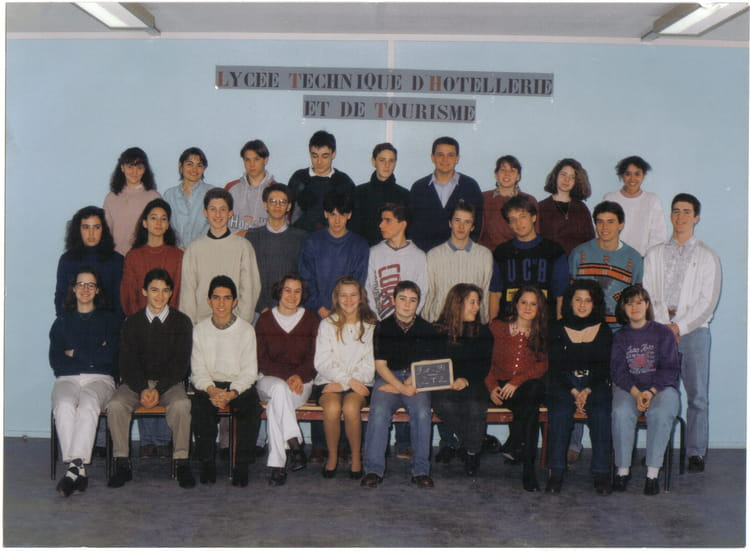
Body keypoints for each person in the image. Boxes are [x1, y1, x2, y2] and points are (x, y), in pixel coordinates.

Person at [644, 193, 721, 473]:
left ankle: (695, 452)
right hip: (660, 330)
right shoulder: (655, 254)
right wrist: (664, 326)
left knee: (697, 396)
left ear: (696, 217)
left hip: (694, 332)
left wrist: (680, 327)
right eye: (676, 211)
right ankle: (659, 449)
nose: (680, 216)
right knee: (662, 391)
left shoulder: (707, 255)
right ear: (670, 215)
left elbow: (707, 301)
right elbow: (648, 292)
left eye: (687, 212)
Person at [107, 269, 195, 489]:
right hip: (136, 382)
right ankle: (121, 463)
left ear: (171, 293)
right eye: (154, 290)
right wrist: (142, 388)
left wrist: (159, 389)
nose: (160, 295)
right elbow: (127, 363)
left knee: (182, 405)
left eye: (165, 290)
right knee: (116, 405)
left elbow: (180, 364)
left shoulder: (182, 322)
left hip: (169, 382)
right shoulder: (132, 323)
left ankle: (181, 462)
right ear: (144, 291)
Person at [361, 281, 444, 489]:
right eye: (402, 299)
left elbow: (427, 363)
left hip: (416, 379)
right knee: (378, 409)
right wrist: (398, 386)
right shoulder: (382, 327)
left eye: (413, 300)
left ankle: (421, 470)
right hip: (389, 376)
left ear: (418, 303)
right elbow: (380, 365)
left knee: (423, 411)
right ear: (393, 300)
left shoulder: (426, 328)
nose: (407, 305)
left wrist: (406, 385)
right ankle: (373, 469)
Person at [120, 198, 184, 458]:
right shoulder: (134, 256)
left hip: (169, 325)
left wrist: (165, 319)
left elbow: (178, 290)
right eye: (153, 218)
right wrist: (144, 321)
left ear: (168, 224)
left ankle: (165, 438)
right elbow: (128, 294)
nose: (158, 223)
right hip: (140, 326)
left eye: (164, 218)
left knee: (166, 375)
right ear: (144, 222)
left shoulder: (177, 255)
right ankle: (148, 439)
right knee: (142, 376)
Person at [50, 267, 120, 497]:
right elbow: (57, 362)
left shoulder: (110, 321)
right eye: (81, 284)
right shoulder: (61, 322)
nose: (85, 289)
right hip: (67, 378)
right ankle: (77, 469)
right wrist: (92, 353)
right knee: (63, 404)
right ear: (73, 288)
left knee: (89, 402)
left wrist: (75, 352)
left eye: (91, 285)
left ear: (98, 290)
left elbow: (108, 359)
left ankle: (72, 470)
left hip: (100, 379)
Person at [190, 275, 263, 487]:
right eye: (216, 298)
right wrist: (212, 391)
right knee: (199, 406)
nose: (221, 303)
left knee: (251, 406)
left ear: (235, 302)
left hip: (237, 385)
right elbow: (198, 370)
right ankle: (207, 462)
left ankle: (241, 464)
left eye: (227, 298)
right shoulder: (200, 330)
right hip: (210, 385)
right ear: (208, 301)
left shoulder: (246, 330)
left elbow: (250, 372)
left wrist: (232, 393)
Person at [610, 285, 680, 496]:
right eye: (629, 303)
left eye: (639, 302)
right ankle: (622, 471)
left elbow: (671, 369)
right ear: (623, 308)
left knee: (660, 413)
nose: (635, 307)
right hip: (629, 389)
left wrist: (650, 392)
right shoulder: (620, 337)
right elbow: (618, 371)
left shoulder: (663, 333)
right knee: (621, 413)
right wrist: (636, 393)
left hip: (661, 389)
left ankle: (652, 474)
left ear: (647, 305)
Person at [546, 279, 613, 495]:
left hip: (595, 382)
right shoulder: (557, 327)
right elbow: (554, 367)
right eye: (578, 300)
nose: (582, 305)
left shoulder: (604, 330)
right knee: (559, 413)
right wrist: (574, 391)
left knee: (601, 413)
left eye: (588, 300)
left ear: (595, 304)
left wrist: (587, 389)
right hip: (564, 382)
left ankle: (601, 474)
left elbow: (605, 367)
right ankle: (555, 473)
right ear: (570, 302)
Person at [255, 273, 320, 486]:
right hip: (268, 380)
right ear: (279, 292)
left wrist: (298, 376)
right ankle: (294, 443)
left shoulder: (311, 320)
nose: (292, 295)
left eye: (297, 291)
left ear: (303, 294)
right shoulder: (265, 320)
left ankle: (278, 465)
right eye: (287, 290)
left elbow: (314, 357)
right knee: (279, 390)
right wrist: (287, 375)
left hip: (302, 383)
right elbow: (261, 359)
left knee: (277, 404)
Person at [485, 285, 548, 491]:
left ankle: (521, 455)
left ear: (539, 308)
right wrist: (492, 386)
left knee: (533, 391)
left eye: (533, 304)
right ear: (516, 304)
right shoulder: (498, 327)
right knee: (529, 411)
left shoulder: (541, 332)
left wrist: (517, 381)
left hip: (524, 387)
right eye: (524, 302)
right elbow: (484, 360)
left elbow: (542, 365)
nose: (528, 308)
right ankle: (522, 458)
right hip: (499, 386)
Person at [312, 276, 376, 479]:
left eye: (353, 295)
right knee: (331, 408)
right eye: (343, 296)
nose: (348, 300)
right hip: (329, 381)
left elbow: (369, 365)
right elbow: (322, 361)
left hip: (360, 382)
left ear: (361, 297)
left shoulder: (370, 325)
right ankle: (332, 457)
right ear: (336, 298)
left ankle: (356, 458)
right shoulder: (327, 324)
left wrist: (350, 382)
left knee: (350, 407)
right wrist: (345, 382)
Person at [430, 283, 492, 476]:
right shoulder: (437, 330)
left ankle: (472, 452)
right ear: (457, 304)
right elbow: (432, 361)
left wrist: (465, 379)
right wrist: (447, 379)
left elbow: (484, 365)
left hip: (472, 381)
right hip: (445, 382)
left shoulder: (483, 332)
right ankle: (476, 443)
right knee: (443, 403)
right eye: (471, 302)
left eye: (477, 302)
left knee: (475, 405)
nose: (476, 307)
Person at [180, 187, 261, 324]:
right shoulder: (194, 249)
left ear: (230, 213)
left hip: (235, 323)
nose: (218, 214)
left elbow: (250, 289)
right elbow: (188, 292)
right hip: (202, 324)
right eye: (213, 209)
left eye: (223, 209)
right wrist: (191, 326)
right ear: (205, 212)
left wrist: (241, 323)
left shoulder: (243, 247)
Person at [489, 195, 568, 321]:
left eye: (523, 217)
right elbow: (495, 293)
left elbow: (561, 295)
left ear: (533, 217)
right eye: (513, 219)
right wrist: (493, 325)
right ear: (509, 224)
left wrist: (559, 325)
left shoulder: (554, 250)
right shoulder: (501, 252)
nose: (518, 223)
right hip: (509, 322)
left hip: (545, 324)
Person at [298, 191, 369, 320]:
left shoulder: (359, 245)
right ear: (326, 214)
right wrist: (319, 306)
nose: (337, 220)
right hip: (316, 312)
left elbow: (358, 282)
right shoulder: (312, 241)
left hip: (347, 313)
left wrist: (344, 309)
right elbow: (306, 278)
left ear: (349, 215)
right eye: (333, 214)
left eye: (342, 215)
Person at [422, 200, 493, 324]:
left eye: (467, 222)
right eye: (457, 220)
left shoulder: (484, 255)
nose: (461, 226)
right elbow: (430, 293)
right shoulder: (434, 255)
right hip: (439, 324)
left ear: (473, 227)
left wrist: (484, 323)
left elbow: (485, 294)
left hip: (472, 326)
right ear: (450, 223)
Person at [409, 136, 483, 252]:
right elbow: (411, 226)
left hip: (460, 255)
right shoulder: (419, 187)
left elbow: (477, 224)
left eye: (450, 155)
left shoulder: (470, 186)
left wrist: (463, 251)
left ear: (457, 158)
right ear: (432, 157)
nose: (445, 159)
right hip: (425, 256)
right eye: (440, 155)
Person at [246, 184, 307, 317]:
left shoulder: (301, 238)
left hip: (291, 310)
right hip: (258, 311)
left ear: (289, 206)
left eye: (282, 202)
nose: (277, 206)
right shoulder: (252, 237)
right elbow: (247, 277)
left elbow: (304, 277)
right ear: (265, 205)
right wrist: (262, 308)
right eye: (272, 201)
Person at [55, 206, 124, 318]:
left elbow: (119, 300)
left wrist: (114, 327)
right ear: (78, 230)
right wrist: (66, 324)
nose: (91, 233)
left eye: (96, 227)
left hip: (107, 326)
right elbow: (60, 296)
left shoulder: (116, 261)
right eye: (86, 227)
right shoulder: (67, 260)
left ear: (103, 229)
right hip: (74, 324)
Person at [365, 202, 428, 321]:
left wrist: (409, 320)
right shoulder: (373, 253)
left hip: (408, 324)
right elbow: (368, 289)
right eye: (381, 220)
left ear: (403, 224)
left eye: (387, 220)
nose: (381, 225)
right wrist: (378, 321)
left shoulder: (418, 256)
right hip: (380, 323)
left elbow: (422, 292)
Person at [288, 130, 355, 232]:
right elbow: (288, 213)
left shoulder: (344, 182)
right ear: (310, 154)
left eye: (325, 156)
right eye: (315, 156)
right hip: (300, 239)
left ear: (333, 154)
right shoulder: (298, 179)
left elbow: (351, 219)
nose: (319, 162)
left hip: (333, 241)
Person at [603, 155, 667, 256]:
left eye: (637, 174)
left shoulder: (652, 200)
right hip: (614, 258)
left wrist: (648, 258)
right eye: (628, 174)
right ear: (622, 175)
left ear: (643, 176)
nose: (632, 178)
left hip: (643, 259)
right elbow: (602, 229)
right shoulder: (610, 198)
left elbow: (659, 235)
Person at [103, 147, 161, 256]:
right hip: (117, 257)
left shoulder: (153, 197)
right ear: (122, 167)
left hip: (145, 256)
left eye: (139, 167)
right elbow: (106, 232)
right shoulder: (111, 198)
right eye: (130, 167)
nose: (134, 172)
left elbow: (159, 232)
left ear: (145, 170)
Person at [351, 143, 410, 246]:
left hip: (394, 254)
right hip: (365, 253)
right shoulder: (359, 193)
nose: (387, 165)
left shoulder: (404, 195)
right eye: (382, 160)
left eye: (391, 161)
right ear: (373, 162)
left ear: (395, 163)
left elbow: (407, 231)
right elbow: (353, 229)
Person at [478, 155, 540, 252]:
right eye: (503, 170)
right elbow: (478, 233)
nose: (507, 174)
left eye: (512, 171)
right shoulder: (483, 199)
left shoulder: (529, 200)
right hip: (489, 255)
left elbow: (535, 235)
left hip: (519, 255)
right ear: (496, 174)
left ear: (518, 177)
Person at [537, 158, 595, 256]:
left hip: (576, 266)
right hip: (550, 266)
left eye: (572, 177)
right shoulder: (541, 207)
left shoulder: (581, 208)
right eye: (563, 174)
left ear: (576, 182)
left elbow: (590, 242)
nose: (566, 180)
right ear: (556, 176)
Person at [163, 147, 215, 249]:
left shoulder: (212, 193)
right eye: (189, 164)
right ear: (180, 166)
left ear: (204, 168)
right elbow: (165, 226)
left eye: (199, 165)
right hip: (176, 252)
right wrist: (178, 248)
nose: (194, 169)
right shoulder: (169, 195)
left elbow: (216, 225)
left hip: (205, 251)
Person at [225, 139, 278, 235]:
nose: (251, 164)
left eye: (256, 159)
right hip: (233, 245)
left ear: (265, 160)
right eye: (247, 160)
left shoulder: (276, 190)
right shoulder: (231, 188)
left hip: (262, 246)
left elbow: (280, 226)